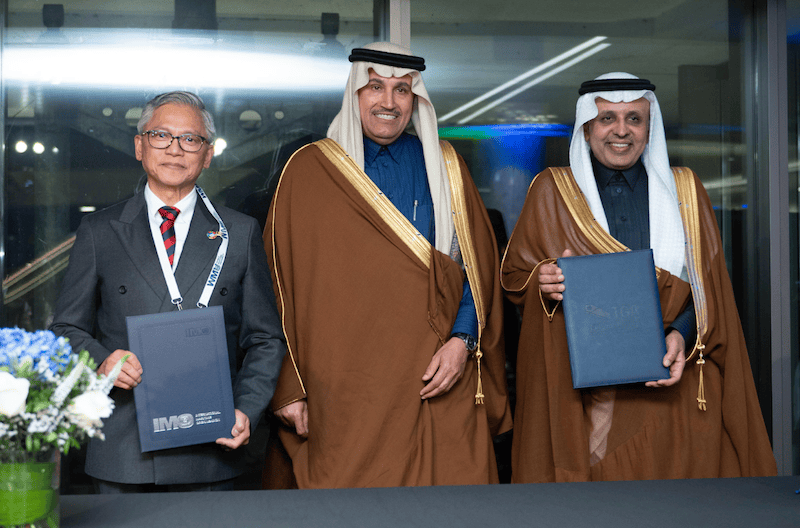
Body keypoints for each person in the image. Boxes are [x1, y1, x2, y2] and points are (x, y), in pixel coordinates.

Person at [501, 73, 777, 482]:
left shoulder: (685, 191)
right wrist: (544, 279)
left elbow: (708, 288)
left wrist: (681, 334)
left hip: (673, 382)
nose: (621, 130)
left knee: (676, 502)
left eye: (634, 118)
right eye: (607, 118)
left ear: (650, 127)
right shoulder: (552, 190)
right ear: (587, 128)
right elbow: (515, 277)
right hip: (586, 399)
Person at [264, 42, 511, 488]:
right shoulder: (309, 170)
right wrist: (289, 386)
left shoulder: (445, 166)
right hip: (343, 387)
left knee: (448, 507)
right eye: (376, 87)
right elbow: (277, 287)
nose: (389, 102)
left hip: (435, 376)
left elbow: (475, 268)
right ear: (355, 92)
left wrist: (462, 341)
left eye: (402, 90)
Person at [50, 91, 286, 492]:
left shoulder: (239, 232)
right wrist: (103, 361)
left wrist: (246, 408)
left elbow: (265, 338)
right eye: (161, 135)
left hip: (213, 448)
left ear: (207, 154)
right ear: (139, 146)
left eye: (190, 139)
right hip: (123, 451)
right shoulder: (99, 231)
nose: (175, 149)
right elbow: (65, 329)